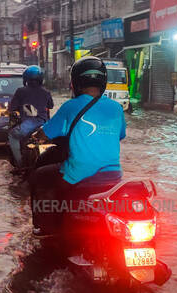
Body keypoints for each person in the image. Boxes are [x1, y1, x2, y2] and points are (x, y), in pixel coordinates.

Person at [29, 56, 126, 234]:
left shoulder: (70, 106)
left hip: (79, 173)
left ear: (75, 82)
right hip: (114, 175)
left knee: (39, 176)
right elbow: (120, 135)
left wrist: (35, 137)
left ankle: (46, 227)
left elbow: (44, 134)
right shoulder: (117, 108)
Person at [7, 65, 53, 168]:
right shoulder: (46, 92)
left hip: (28, 124)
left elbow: (12, 108)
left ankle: (20, 165)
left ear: (26, 79)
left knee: (12, 136)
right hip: (44, 125)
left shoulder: (20, 91)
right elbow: (51, 105)